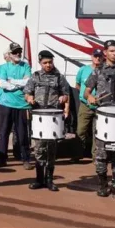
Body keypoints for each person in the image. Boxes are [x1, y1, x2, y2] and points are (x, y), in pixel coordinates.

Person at [86, 40, 115, 198]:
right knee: (101, 154)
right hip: (103, 116)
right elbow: (87, 91)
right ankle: (102, 185)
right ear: (105, 52)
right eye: (112, 51)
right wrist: (90, 97)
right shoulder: (97, 71)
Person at [24, 50, 70, 192]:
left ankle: (49, 180)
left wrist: (64, 103)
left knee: (51, 149)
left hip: (53, 116)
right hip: (39, 115)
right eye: (45, 63)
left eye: (50, 62)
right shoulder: (35, 76)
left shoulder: (59, 77)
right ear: (40, 63)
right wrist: (29, 99)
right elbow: (27, 92)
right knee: (39, 148)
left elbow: (66, 94)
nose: (48, 65)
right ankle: (39, 179)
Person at [0, 43, 32, 169]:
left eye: (19, 52)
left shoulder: (26, 66)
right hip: (6, 103)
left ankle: (26, 159)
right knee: (3, 132)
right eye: (15, 52)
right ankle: (2, 158)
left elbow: (28, 82)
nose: (18, 54)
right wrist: (18, 84)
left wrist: (13, 82)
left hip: (22, 105)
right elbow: (2, 83)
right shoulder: (3, 67)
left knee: (22, 133)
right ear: (9, 54)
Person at [75, 49, 102, 161]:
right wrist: (86, 96)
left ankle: (95, 156)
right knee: (80, 130)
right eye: (95, 56)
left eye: (100, 56)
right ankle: (77, 154)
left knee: (97, 132)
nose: (98, 58)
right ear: (92, 57)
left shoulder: (104, 71)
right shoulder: (83, 70)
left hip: (100, 106)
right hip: (85, 105)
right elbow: (77, 85)